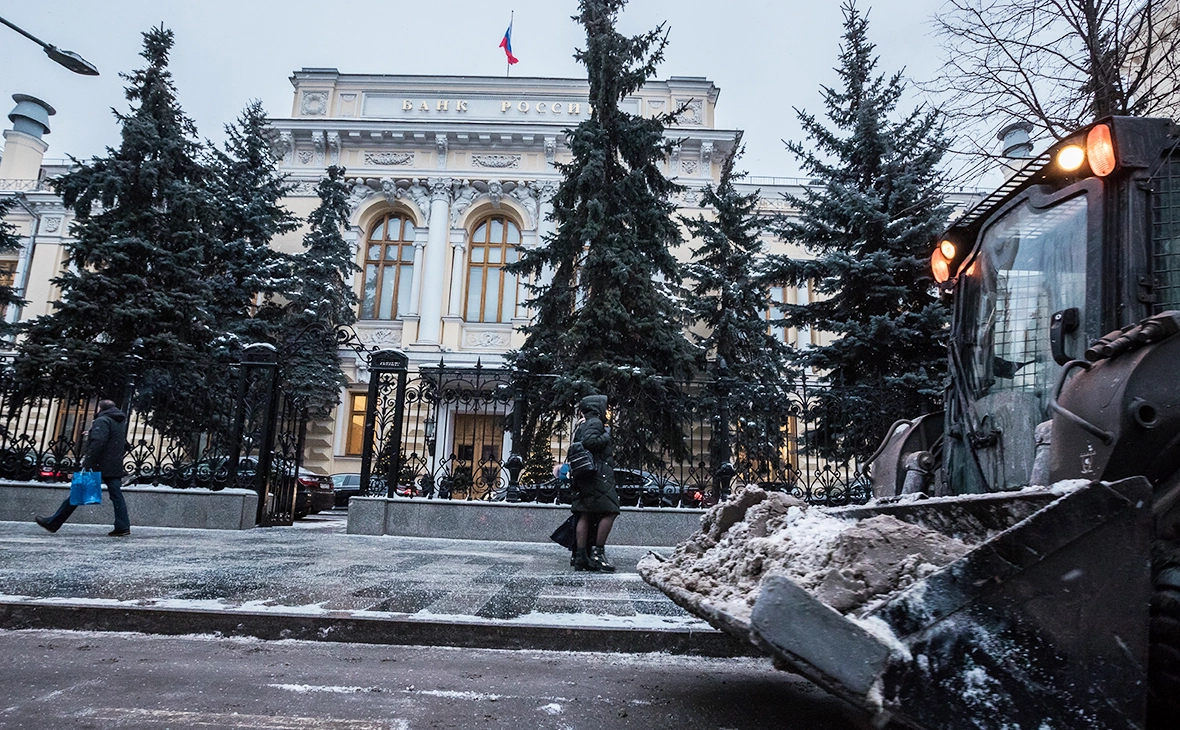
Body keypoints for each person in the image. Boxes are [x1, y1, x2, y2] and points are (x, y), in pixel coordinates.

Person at [36, 399, 131, 536]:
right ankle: (122, 526)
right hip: (114, 465)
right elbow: (120, 442)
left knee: (77, 493)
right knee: (117, 496)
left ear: (101, 408)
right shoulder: (119, 422)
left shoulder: (102, 420)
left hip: (98, 464)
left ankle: (53, 522)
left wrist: (88, 463)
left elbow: (99, 443)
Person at [570, 394, 619, 572]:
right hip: (597, 477)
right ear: (597, 407)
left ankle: (581, 556)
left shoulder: (583, 424)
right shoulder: (596, 423)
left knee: (585, 513)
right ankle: (598, 554)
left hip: (585, 476)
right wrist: (607, 435)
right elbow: (590, 442)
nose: (606, 410)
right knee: (611, 511)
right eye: (604, 406)